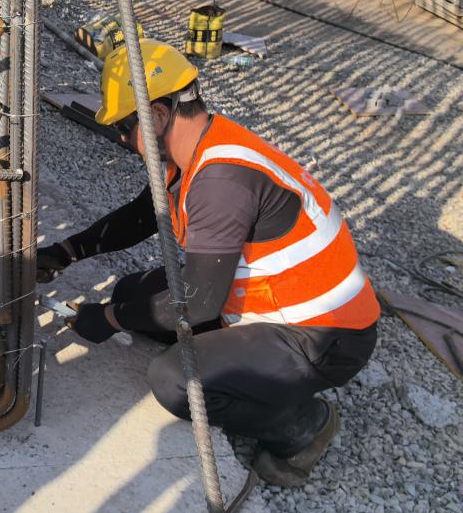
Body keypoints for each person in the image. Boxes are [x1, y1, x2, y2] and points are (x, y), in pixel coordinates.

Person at [40, 39, 379, 487]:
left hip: (322, 335)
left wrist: (107, 318)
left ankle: (303, 425)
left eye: (125, 127)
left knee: (175, 379)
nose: (123, 139)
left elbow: (196, 304)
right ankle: (239, 364)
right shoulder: (196, 148)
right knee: (130, 295)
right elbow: (144, 214)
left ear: (157, 116)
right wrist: (67, 252)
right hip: (267, 302)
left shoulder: (222, 180)